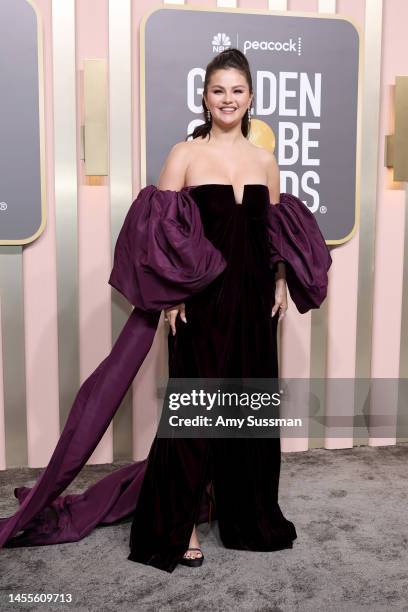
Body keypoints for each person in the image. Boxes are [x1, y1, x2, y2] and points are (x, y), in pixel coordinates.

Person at [0, 49, 331, 573]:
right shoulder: (185, 154)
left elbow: (272, 231)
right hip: (200, 302)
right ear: (205, 96)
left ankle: (249, 517)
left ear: (250, 98)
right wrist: (174, 295)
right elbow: (159, 235)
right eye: (218, 90)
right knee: (195, 414)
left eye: (237, 91)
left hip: (252, 303)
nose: (228, 99)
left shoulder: (265, 160)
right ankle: (178, 526)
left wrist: (283, 280)